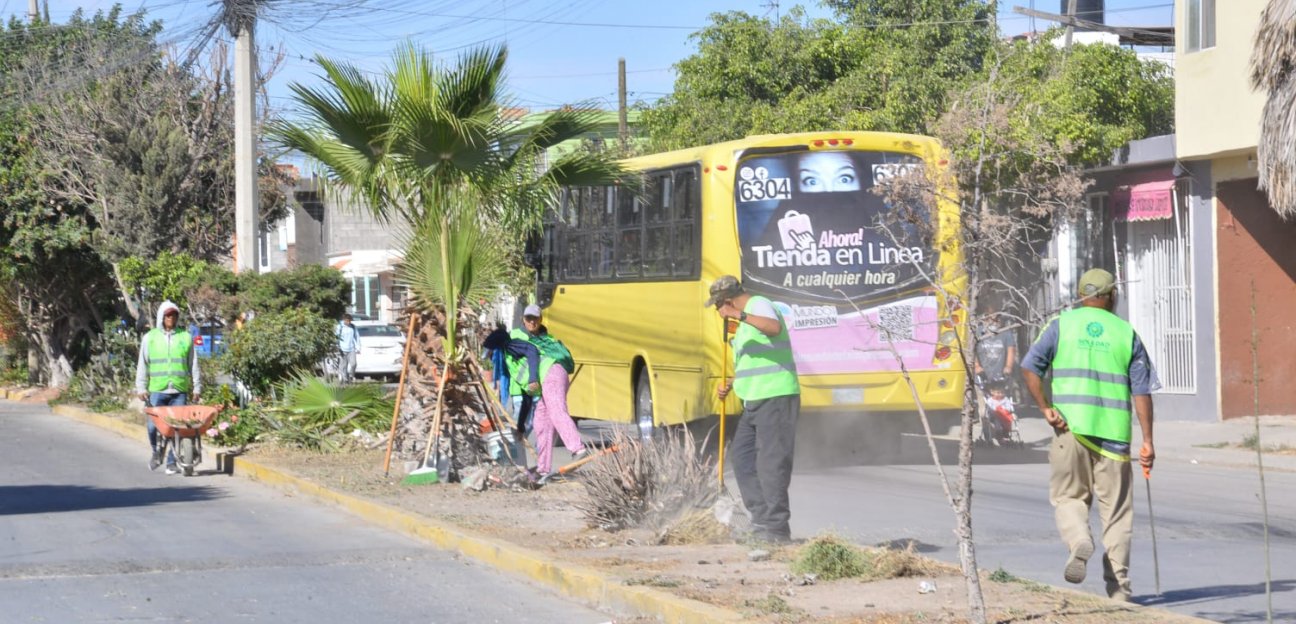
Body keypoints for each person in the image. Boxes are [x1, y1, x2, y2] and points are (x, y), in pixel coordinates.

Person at [1020, 268, 1156, 602]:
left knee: (1068, 498)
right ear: (1111, 296)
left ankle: (1079, 538)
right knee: (1118, 515)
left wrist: (1045, 408)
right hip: (1114, 437)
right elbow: (1142, 393)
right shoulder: (1127, 333)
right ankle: (1119, 589)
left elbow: (1029, 366)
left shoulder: (1061, 326)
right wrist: (1148, 441)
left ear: (1082, 295)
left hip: (1070, 430)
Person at [707, 275, 800, 543]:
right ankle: (760, 520)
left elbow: (773, 328)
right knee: (743, 459)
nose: (718, 312)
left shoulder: (759, 305)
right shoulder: (743, 321)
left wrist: (739, 315)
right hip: (754, 399)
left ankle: (777, 529)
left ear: (727, 300)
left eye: (718, 306)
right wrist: (733, 382)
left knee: (772, 464)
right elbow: (756, 359)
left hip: (777, 396)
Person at [496, 305, 588, 475]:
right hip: (548, 378)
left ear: (540, 320)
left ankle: (578, 449)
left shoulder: (517, 337)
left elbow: (531, 353)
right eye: (529, 318)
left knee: (557, 411)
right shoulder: (536, 337)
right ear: (523, 319)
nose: (532, 322)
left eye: (535, 318)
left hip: (551, 374)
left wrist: (531, 379)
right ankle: (543, 468)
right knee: (542, 422)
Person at [135, 300, 201, 475]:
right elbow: (142, 364)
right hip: (157, 390)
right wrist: (141, 387)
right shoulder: (150, 338)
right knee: (152, 426)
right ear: (161, 317)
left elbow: (193, 364)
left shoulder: (185, 337)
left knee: (177, 428)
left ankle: (171, 462)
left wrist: (197, 388)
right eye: (168, 315)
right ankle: (156, 451)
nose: (171, 318)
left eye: (174, 315)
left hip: (179, 390)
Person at [336, 313, 361, 383]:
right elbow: (336, 337)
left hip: (351, 348)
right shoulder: (340, 327)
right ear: (344, 320)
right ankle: (345, 379)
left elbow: (357, 337)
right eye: (347, 321)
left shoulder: (353, 327)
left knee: (354, 364)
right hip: (342, 349)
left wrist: (358, 348)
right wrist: (337, 347)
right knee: (344, 366)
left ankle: (351, 376)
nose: (348, 322)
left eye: (350, 321)